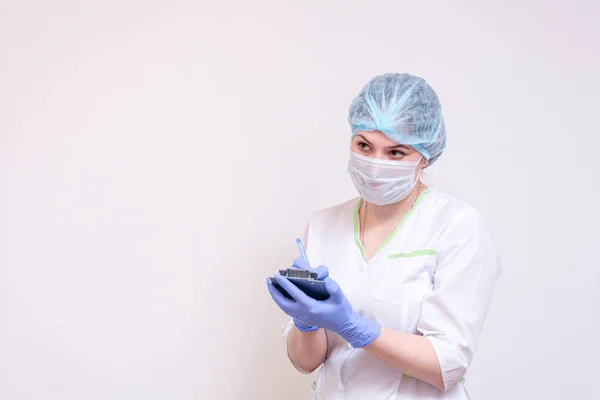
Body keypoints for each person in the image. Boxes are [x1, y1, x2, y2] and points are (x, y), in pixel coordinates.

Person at [266, 73, 501, 399]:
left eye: (396, 153)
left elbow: (449, 361)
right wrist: (306, 322)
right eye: (364, 146)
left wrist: (354, 328)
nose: (375, 165)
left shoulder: (457, 227)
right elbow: (306, 362)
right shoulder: (322, 224)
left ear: (425, 156)